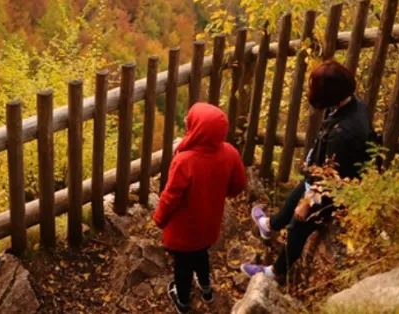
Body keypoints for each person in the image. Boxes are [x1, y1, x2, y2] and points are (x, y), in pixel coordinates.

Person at [241, 59, 376, 281]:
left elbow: (330, 181)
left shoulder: (345, 133)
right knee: (297, 192)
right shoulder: (353, 105)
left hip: (336, 193)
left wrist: (307, 204)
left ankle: (275, 272)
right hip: (323, 177)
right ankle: (270, 225)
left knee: (298, 226)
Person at [154, 102, 247, 313]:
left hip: (183, 231)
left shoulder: (184, 161)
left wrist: (159, 218)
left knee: (183, 267)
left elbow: (170, 197)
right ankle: (206, 290)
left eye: (190, 121)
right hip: (209, 224)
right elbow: (238, 185)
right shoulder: (229, 153)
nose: (187, 123)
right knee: (201, 254)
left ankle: (182, 302)